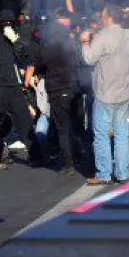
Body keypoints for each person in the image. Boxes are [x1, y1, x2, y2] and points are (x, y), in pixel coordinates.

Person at [80, 4, 129, 185]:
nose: (101, 18)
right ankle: (122, 173)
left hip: (105, 93)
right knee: (122, 134)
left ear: (109, 17)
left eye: (103, 15)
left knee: (102, 135)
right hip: (123, 91)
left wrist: (84, 42)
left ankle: (104, 174)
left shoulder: (102, 36)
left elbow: (89, 58)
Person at [0, 10, 38, 168]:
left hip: (15, 87)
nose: (7, 26)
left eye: (10, 23)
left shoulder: (17, 38)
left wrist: (15, 41)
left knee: (24, 121)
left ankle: (36, 155)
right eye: (5, 23)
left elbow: (24, 58)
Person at [35, 11, 80, 176]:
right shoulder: (71, 45)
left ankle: (69, 164)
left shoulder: (47, 49)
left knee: (62, 128)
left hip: (56, 90)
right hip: (73, 88)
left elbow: (39, 67)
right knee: (75, 123)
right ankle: (81, 153)